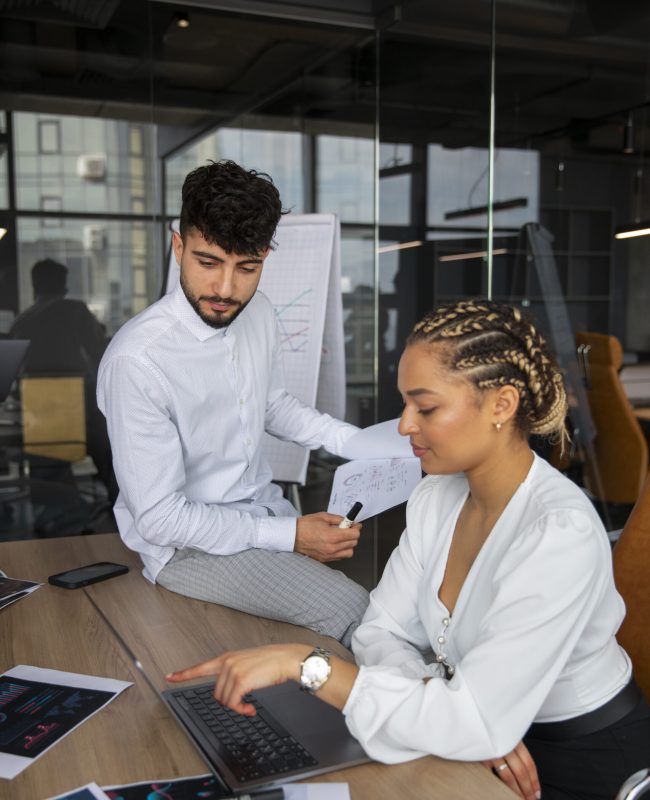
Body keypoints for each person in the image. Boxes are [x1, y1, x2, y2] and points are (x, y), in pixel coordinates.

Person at [167, 299, 650, 800]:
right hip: (491, 741)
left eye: (427, 407)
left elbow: (474, 717)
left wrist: (306, 665)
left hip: (583, 762)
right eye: (405, 404)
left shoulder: (558, 532)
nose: (404, 426)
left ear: (501, 405)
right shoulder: (436, 496)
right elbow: (381, 630)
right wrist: (450, 713)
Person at [97, 160, 368, 647]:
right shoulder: (137, 360)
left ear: (265, 256)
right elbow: (159, 518)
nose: (226, 289)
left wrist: (356, 443)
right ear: (178, 247)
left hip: (264, 513)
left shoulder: (258, 311)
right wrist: (290, 537)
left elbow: (271, 405)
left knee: (389, 600)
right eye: (208, 262)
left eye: (247, 268)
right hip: (187, 549)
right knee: (354, 612)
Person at [10, 258, 117, 503]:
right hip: (78, 403)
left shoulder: (21, 321)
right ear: (64, 285)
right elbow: (100, 353)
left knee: (52, 462)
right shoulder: (74, 310)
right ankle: (117, 504)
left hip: (36, 412)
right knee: (108, 449)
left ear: (34, 285)